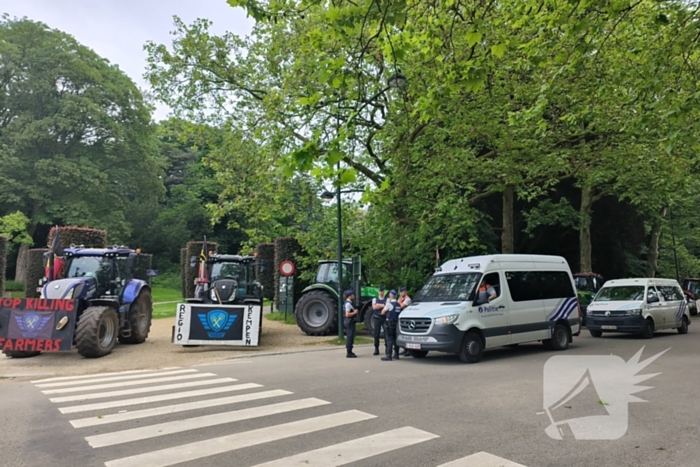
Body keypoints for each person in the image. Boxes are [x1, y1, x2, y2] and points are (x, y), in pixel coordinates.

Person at [382, 289, 401, 361]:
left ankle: (388, 355)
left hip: (389, 323)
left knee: (389, 339)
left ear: (390, 296)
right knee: (395, 339)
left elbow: (383, 312)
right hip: (396, 323)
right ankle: (396, 354)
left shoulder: (389, 304)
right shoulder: (398, 305)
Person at [371, 286, 388, 355]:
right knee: (376, 334)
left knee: (386, 333)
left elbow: (387, 306)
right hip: (377, 318)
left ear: (384, 291)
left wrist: (379, 305)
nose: (381, 292)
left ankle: (387, 348)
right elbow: (374, 307)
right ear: (378, 291)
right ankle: (376, 349)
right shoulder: (374, 299)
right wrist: (383, 305)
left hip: (384, 318)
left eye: (382, 291)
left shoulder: (387, 299)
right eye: (380, 291)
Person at [344, 290, 358, 358]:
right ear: (349, 296)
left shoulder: (349, 303)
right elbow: (347, 314)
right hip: (350, 322)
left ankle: (350, 351)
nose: (354, 296)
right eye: (352, 295)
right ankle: (349, 352)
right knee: (350, 337)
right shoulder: (348, 304)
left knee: (351, 336)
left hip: (350, 322)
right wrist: (354, 313)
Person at [398, 286, 412, 355]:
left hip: (408, 318)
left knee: (407, 334)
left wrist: (399, 302)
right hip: (403, 318)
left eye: (402, 292)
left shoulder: (407, 299)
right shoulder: (402, 299)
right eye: (400, 292)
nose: (401, 293)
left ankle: (409, 350)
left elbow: (400, 306)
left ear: (405, 292)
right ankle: (405, 349)